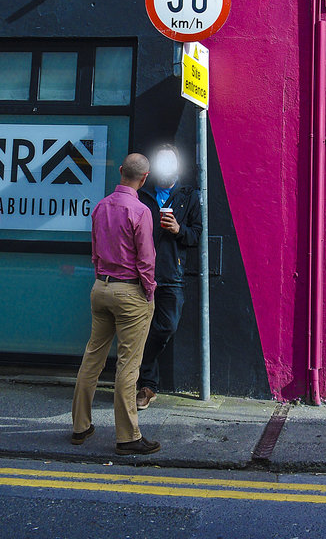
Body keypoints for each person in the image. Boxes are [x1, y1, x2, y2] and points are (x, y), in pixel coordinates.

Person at [70, 152, 160, 454]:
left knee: (92, 358)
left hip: (101, 288)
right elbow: (146, 259)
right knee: (128, 365)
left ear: (121, 171)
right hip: (129, 292)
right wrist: (149, 292)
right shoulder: (141, 210)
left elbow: (95, 252)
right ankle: (128, 437)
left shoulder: (101, 206)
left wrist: (102, 277)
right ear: (144, 178)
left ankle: (80, 427)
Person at [135, 144, 202, 409]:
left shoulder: (188, 196)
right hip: (141, 272)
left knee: (166, 326)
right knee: (139, 328)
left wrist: (178, 229)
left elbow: (196, 235)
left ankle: (138, 367)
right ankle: (147, 386)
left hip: (171, 273)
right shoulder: (142, 195)